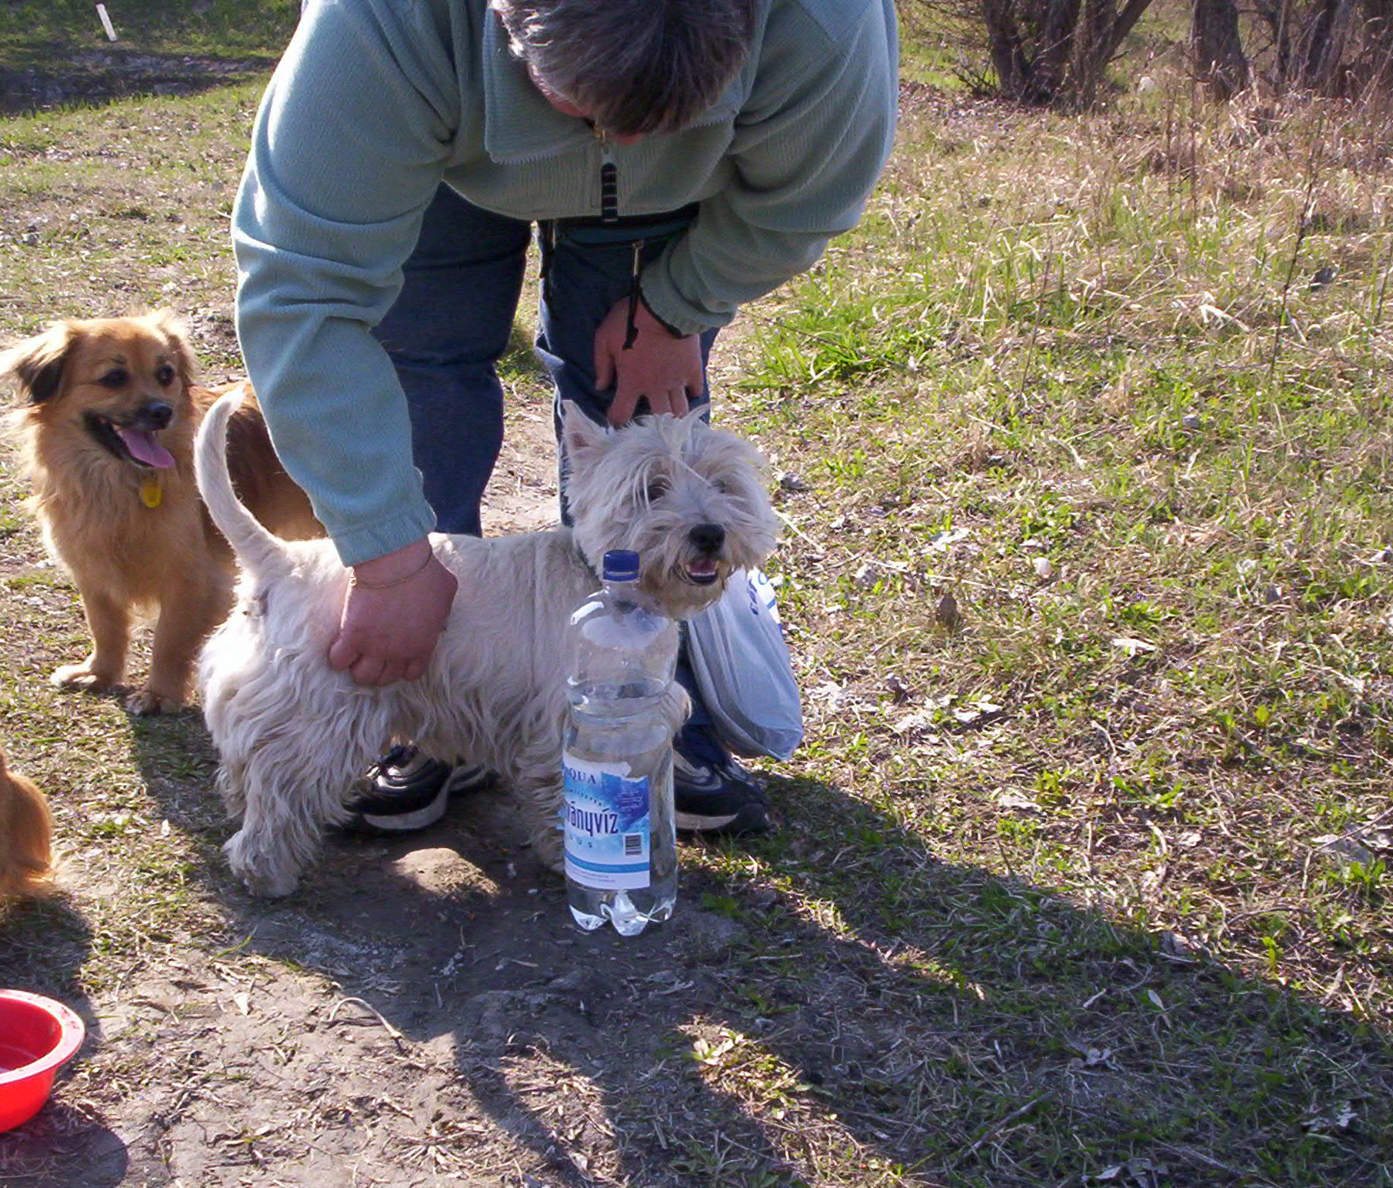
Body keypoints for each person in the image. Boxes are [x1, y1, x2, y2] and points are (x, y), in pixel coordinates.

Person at [231, 0, 898, 837]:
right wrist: (387, 559)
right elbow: (305, 295)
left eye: (653, 118)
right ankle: (431, 693)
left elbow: (811, 194)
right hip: (438, 147)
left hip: (676, 193)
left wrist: (680, 304)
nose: (618, 143)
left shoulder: (823, 23)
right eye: (590, 112)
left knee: (632, 417)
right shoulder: (383, 27)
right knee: (424, 372)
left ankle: (635, 699)